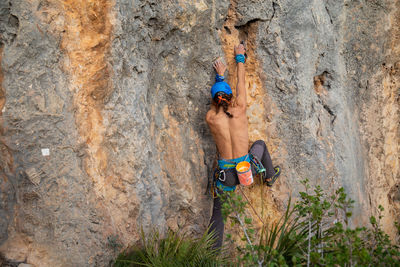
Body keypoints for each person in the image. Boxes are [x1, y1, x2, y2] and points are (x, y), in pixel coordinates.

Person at [206, 43, 280, 249]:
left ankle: (212, 255)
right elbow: (240, 82)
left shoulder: (211, 118)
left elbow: (217, 101)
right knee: (260, 145)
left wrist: (218, 79)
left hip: (226, 176)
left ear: (213, 100)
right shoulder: (239, 109)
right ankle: (269, 176)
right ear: (230, 96)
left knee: (218, 217)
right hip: (246, 170)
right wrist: (240, 57)